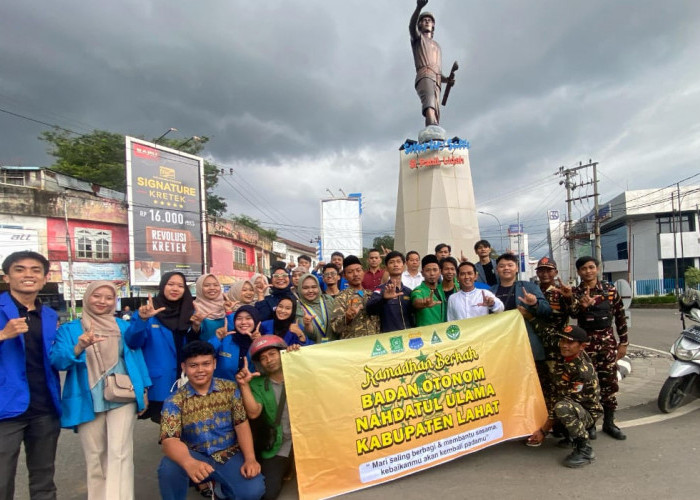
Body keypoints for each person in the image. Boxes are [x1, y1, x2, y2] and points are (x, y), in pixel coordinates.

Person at [49, 281, 151, 500]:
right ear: (86, 297)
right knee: (95, 456)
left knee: (120, 452)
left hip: (123, 394)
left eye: (108, 297)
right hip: (87, 397)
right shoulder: (70, 329)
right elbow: (58, 361)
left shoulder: (122, 327)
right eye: (97, 296)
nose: (102, 302)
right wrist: (79, 347)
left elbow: (137, 353)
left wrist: (143, 390)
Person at [158, 341, 264, 500]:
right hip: (195, 454)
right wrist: (188, 462)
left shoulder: (230, 389)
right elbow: (169, 440)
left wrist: (250, 458)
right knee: (168, 468)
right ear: (184, 367)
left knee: (252, 492)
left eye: (206, 364)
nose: (200, 370)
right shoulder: (173, 401)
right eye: (193, 365)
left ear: (214, 364)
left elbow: (241, 424)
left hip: (229, 453)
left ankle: (222, 490)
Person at [0, 251, 62, 500]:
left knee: (44, 480)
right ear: (7, 276)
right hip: (5, 411)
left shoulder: (49, 315)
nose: (28, 274)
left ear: (45, 277)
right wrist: (3, 335)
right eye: (20, 269)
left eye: (35, 270)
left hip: (44, 408)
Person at [125, 271, 196, 423]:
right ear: (162, 286)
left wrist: (198, 327)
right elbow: (133, 343)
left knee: (188, 421)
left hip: (187, 377)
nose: (175, 289)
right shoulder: (148, 312)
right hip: (161, 380)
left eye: (180, 286)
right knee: (167, 423)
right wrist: (142, 320)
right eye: (170, 284)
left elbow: (197, 343)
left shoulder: (191, 313)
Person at [527, 325, 602, 468]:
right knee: (548, 392)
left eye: (570, 343)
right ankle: (568, 435)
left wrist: (543, 430)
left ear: (582, 346)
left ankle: (584, 449)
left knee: (562, 407)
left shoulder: (582, 371)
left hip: (586, 413)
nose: (564, 346)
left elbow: (566, 401)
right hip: (573, 405)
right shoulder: (569, 356)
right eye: (562, 341)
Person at [236, 336, 301, 500]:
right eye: (263, 358)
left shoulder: (300, 371)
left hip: (307, 440)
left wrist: (299, 354)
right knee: (268, 493)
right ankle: (287, 466)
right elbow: (253, 412)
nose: (269, 360)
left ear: (282, 353)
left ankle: (292, 465)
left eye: (272, 354)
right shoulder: (257, 383)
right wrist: (244, 385)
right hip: (281, 443)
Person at [573, 256, 629, 441]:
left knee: (609, 384)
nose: (588, 271)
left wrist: (624, 343)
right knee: (587, 385)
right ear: (579, 272)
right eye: (583, 269)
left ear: (597, 268)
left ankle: (610, 422)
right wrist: (581, 305)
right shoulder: (576, 292)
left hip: (606, 344)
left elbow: (620, 316)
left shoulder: (610, 290)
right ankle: (590, 424)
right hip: (585, 346)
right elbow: (571, 312)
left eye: (591, 267)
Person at [531, 257, 578, 414]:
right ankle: (545, 419)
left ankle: (561, 422)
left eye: (548, 270)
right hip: (536, 347)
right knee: (540, 386)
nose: (544, 274)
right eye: (541, 270)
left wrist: (569, 298)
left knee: (559, 386)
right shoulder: (533, 291)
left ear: (555, 272)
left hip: (556, 348)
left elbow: (575, 313)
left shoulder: (562, 291)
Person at [491, 253, 551, 364]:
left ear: (517, 268)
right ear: (497, 269)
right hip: (501, 344)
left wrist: (534, 303)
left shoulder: (530, 287)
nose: (506, 268)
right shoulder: (490, 292)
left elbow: (546, 311)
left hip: (526, 342)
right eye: (502, 266)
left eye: (510, 265)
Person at [410, 0, 453, 126]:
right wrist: (418, 8)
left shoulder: (437, 46)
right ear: (420, 25)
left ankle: (433, 133)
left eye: (430, 20)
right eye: (424, 20)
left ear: (433, 25)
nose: (427, 21)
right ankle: (432, 129)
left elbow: (438, 70)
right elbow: (411, 27)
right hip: (425, 74)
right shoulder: (418, 39)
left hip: (437, 79)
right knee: (429, 103)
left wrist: (447, 79)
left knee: (435, 108)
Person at [330, 255, 380, 338]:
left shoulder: (372, 295)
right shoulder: (341, 298)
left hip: (373, 346)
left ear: (363, 272)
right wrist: (347, 317)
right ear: (345, 276)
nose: (355, 274)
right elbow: (335, 328)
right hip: (353, 348)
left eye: (358, 270)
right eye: (350, 272)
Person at [367, 251, 414, 333]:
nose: (396, 265)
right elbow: (370, 309)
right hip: (389, 338)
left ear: (403, 266)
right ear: (386, 268)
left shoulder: (408, 291)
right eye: (391, 262)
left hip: (408, 336)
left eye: (399, 262)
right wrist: (384, 299)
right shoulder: (380, 290)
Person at [209, 305, 257, 382]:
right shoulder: (225, 339)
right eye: (239, 318)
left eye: (248, 318)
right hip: (222, 390)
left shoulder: (261, 341)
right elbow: (204, 355)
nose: (243, 322)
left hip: (251, 390)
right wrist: (217, 338)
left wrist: (259, 343)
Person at [296, 273, 337, 342]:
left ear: (318, 287)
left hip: (336, 346)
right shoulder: (299, 307)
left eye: (314, 287)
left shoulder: (328, 299)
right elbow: (308, 336)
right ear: (300, 289)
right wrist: (307, 325)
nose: (310, 291)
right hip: (315, 349)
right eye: (305, 288)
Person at [411, 254, 447, 326]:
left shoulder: (441, 289)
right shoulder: (418, 290)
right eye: (428, 270)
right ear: (422, 273)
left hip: (442, 332)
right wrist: (424, 303)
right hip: (425, 334)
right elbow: (416, 302)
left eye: (435, 270)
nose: (432, 274)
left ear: (440, 272)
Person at [191, 273, 226, 342]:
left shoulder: (226, 307)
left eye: (216, 285)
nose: (212, 288)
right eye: (207, 285)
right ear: (199, 288)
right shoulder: (194, 309)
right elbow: (190, 338)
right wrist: (195, 326)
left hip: (226, 351)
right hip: (204, 351)